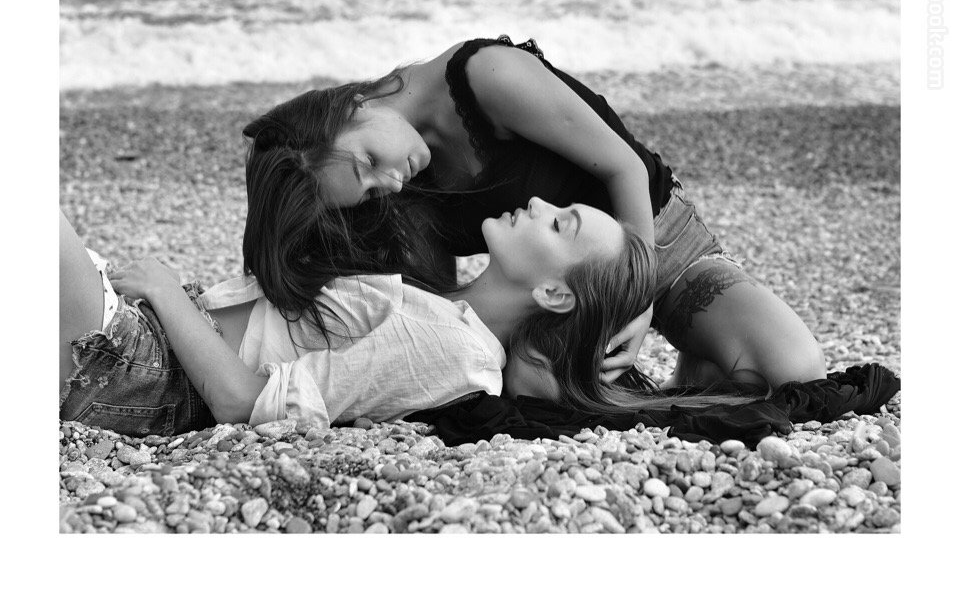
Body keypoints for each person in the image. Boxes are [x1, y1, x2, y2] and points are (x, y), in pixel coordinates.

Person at [244, 35, 827, 389]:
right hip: (556, 297)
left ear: (351, 106)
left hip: (655, 241)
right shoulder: (402, 188)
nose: (390, 182)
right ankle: (699, 365)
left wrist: (636, 299)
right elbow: (434, 312)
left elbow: (622, 168)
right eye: (371, 190)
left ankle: (698, 355)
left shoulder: (486, 76)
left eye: (371, 161)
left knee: (794, 372)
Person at [61, 197, 718, 438]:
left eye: (560, 224)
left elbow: (241, 402)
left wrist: (166, 292)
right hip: (143, 336)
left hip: (140, 369)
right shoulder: (448, 305)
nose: (540, 203)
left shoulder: (456, 351)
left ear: (553, 294)